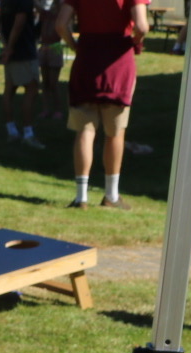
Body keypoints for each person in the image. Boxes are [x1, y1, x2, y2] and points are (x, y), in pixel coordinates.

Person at [56, 0, 147, 209]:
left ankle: (81, 197)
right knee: (115, 132)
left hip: (87, 57)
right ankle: (111, 195)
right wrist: (135, 42)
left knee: (84, 130)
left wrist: (75, 46)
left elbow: (61, 24)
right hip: (118, 61)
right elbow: (142, 26)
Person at [2, 0, 45, 147]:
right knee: (31, 90)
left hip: (12, 45)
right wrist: (10, 47)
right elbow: (20, 21)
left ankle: (12, 131)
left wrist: (7, 45)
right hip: (22, 48)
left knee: (9, 90)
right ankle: (28, 134)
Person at [39, 0, 68, 119]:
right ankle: (46, 109)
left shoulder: (60, 15)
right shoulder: (45, 14)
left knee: (53, 83)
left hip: (55, 48)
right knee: (45, 82)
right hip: (44, 47)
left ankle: (57, 109)